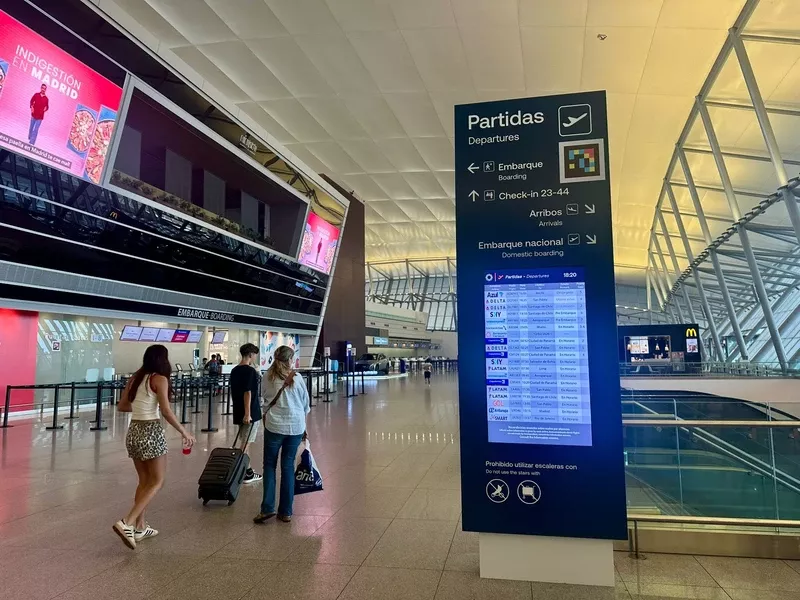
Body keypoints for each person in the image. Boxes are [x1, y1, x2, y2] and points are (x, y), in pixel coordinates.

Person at [113, 345, 195, 549]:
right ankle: (127, 522)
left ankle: (140, 527)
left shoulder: (135, 378)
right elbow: (166, 411)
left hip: (134, 431)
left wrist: (141, 405)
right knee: (157, 481)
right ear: (163, 360)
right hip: (150, 431)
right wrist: (185, 432)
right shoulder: (160, 379)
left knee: (144, 481)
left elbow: (122, 406)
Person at [254, 345, 310, 524]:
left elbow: (261, 397)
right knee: (287, 466)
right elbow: (305, 404)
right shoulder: (298, 378)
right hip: (295, 427)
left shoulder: (267, 377)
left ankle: (267, 508)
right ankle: (286, 511)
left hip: (274, 426)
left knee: (269, 465)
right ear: (289, 360)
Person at [230, 343, 263, 484]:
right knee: (245, 443)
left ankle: (247, 470)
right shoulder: (249, 371)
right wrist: (248, 413)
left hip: (238, 410)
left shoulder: (235, 370)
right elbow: (248, 392)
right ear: (250, 355)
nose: (255, 357)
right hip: (250, 413)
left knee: (244, 440)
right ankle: (239, 470)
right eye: (255, 354)